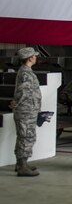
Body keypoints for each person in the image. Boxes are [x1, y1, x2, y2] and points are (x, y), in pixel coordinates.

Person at [11, 47, 42, 177]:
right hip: (26, 111)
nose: (36, 57)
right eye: (34, 56)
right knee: (27, 137)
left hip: (27, 109)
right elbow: (23, 92)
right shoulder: (26, 73)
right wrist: (17, 103)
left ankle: (20, 164)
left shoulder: (26, 71)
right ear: (30, 58)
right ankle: (22, 167)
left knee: (23, 137)